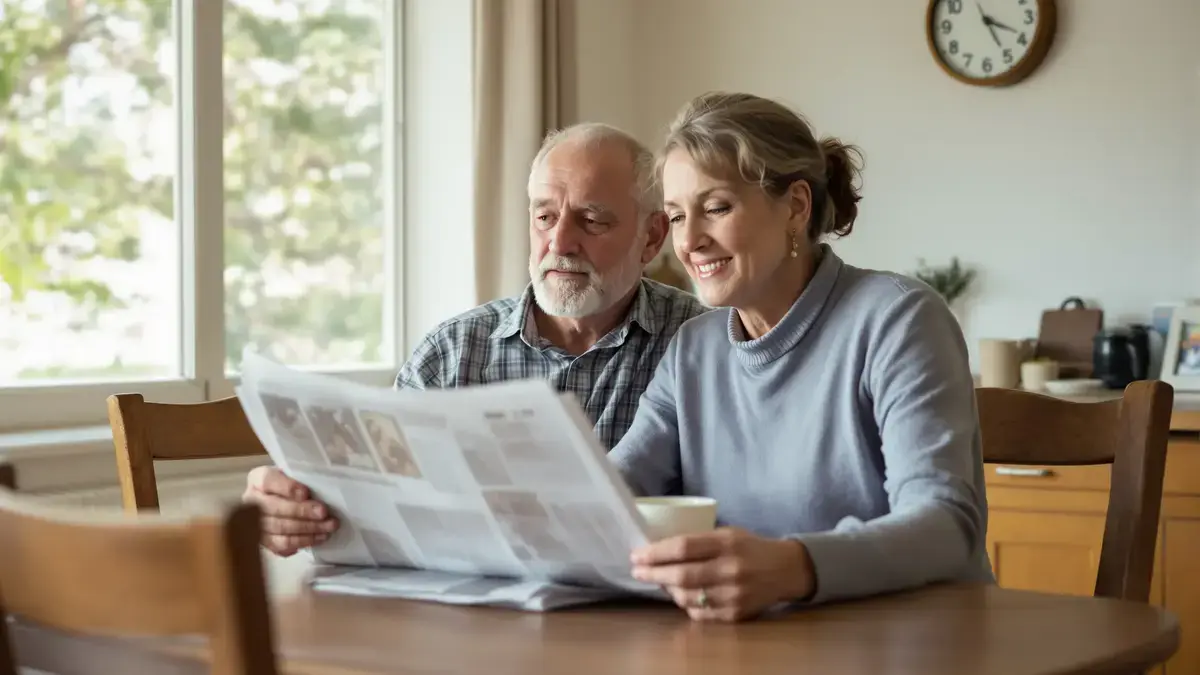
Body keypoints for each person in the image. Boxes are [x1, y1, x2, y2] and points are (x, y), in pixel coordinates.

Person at [610, 92, 994, 622]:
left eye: (716, 207)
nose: (690, 241)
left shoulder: (899, 318)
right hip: (759, 649)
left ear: (795, 206)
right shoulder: (692, 351)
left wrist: (793, 567)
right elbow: (611, 494)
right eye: (677, 217)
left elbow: (945, 525)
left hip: (918, 641)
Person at [244, 122, 710, 557]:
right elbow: (379, 494)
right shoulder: (452, 353)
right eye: (545, 217)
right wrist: (292, 504)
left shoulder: (704, 344)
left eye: (592, 221)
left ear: (651, 238)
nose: (560, 243)